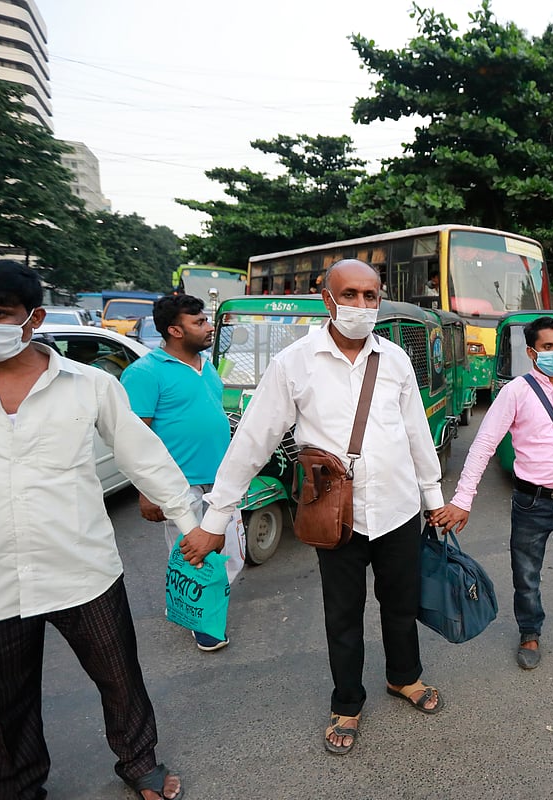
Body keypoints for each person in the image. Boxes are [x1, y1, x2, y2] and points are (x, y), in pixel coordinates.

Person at [183, 259, 446, 755]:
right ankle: (347, 701)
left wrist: (433, 499)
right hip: (333, 515)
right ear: (327, 299)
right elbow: (253, 441)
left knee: (401, 604)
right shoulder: (295, 362)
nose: (362, 306)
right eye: (350, 295)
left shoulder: (393, 359)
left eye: (371, 296)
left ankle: (404, 677)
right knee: (341, 614)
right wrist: (216, 518)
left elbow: (416, 433)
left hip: (397, 510)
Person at [0, 261, 193, 800]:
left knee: (119, 677)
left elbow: (143, 456)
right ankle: (17, 786)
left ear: (32, 318)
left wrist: (192, 523)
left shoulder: (89, 385)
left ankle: (138, 762)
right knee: (1, 701)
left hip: (82, 568)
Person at [433, 317, 553, 669]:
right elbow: (484, 445)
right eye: (548, 347)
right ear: (532, 352)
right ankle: (530, 633)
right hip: (531, 502)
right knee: (527, 576)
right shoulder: (515, 392)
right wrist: (462, 499)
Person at [121, 294, 239, 652]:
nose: (209, 327)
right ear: (174, 330)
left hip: (221, 481)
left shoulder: (208, 366)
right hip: (177, 485)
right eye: (199, 322)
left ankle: (190, 601)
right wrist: (146, 490)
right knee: (194, 555)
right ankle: (204, 624)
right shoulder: (144, 373)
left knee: (231, 554)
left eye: (206, 320)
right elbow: (134, 438)